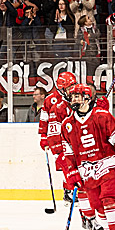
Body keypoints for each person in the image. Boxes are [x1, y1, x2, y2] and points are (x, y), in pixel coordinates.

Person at [59, 83, 115, 230]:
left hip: (107, 165)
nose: (73, 100)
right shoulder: (67, 125)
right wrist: (72, 174)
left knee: (109, 200)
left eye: (77, 96)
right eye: (72, 97)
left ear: (87, 97)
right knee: (99, 207)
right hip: (87, 171)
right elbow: (68, 153)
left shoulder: (102, 116)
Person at [38, 71, 78, 204]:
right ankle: (69, 191)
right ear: (61, 88)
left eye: (72, 85)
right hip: (57, 136)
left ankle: (68, 191)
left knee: (73, 165)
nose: (71, 89)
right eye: (68, 87)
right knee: (66, 165)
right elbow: (44, 119)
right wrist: (44, 136)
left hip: (73, 136)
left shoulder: (75, 97)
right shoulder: (51, 100)